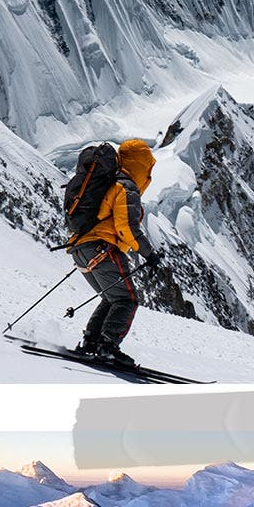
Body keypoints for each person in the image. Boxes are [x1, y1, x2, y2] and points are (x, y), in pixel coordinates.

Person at [67, 138, 161, 364]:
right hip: (102, 249)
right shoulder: (126, 187)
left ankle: (91, 342)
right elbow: (126, 227)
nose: (150, 173)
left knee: (111, 298)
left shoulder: (111, 184)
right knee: (127, 300)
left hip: (81, 249)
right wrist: (149, 254)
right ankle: (107, 346)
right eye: (148, 167)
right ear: (141, 165)